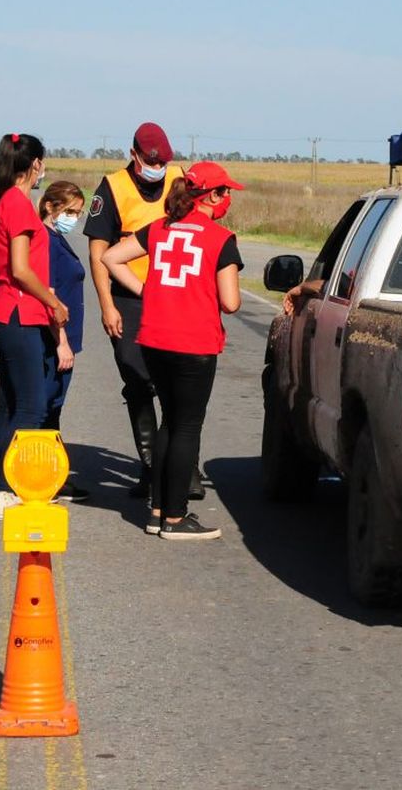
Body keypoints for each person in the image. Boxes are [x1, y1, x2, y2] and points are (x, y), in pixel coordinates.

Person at [101, 161, 244, 540]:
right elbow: (230, 302)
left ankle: (157, 509)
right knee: (187, 426)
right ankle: (177, 518)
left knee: (169, 421)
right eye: (225, 191)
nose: (228, 197)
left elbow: (110, 257)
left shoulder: (159, 228)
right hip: (194, 341)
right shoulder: (220, 238)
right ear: (211, 195)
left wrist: (147, 291)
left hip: (154, 338)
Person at [84, 122, 205, 501]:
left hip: (174, 297)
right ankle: (152, 466)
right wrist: (106, 304)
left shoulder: (178, 179)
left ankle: (184, 470)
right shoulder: (113, 187)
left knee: (178, 384)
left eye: (163, 162)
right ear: (134, 154)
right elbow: (98, 251)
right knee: (138, 380)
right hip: (129, 299)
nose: (157, 168)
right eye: (150, 161)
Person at [0, 133, 70, 520]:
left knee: (10, 404)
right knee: (32, 407)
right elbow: (20, 269)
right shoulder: (17, 203)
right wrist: (54, 301)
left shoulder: (4, 198)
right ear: (34, 164)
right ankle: (5, 489)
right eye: (43, 163)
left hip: (8, 311)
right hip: (20, 311)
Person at [38, 180, 86, 431]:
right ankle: (37, 461)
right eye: (69, 212)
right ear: (49, 206)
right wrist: (62, 343)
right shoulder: (46, 241)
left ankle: (47, 460)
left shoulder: (57, 238)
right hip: (54, 337)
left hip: (64, 335)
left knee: (54, 405)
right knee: (47, 404)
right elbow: (49, 297)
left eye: (77, 213)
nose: (74, 218)